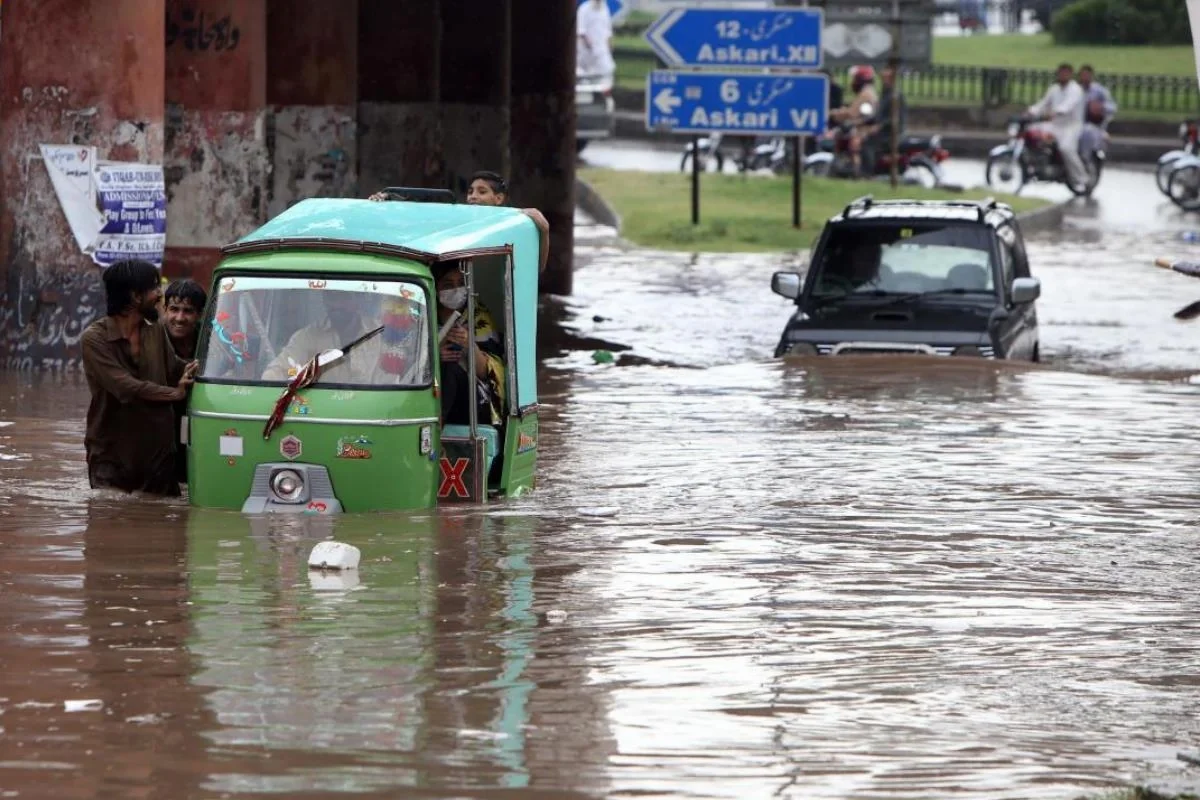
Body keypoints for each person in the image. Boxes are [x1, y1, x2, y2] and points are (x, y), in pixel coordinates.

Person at [80, 260, 197, 497]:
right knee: (109, 522)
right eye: (154, 288)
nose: (160, 294)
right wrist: (173, 393)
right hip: (111, 454)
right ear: (135, 296)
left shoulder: (154, 330)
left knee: (160, 525)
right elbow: (124, 386)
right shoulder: (94, 339)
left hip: (158, 455)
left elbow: (175, 368)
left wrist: (207, 370)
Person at [368, 171, 551, 272]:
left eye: (482, 191)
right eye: (471, 191)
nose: (473, 196)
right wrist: (384, 203)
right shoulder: (456, 219)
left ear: (499, 198)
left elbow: (536, 270)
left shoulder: (515, 224)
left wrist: (544, 230)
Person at [260, 290, 423, 385]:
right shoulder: (307, 337)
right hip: (323, 412)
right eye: (331, 297)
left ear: (358, 300)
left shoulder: (381, 333)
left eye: (343, 297)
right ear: (324, 300)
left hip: (373, 412)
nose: (336, 304)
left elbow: (400, 371)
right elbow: (278, 370)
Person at [435, 262, 505, 427]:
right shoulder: (421, 315)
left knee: (451, 368)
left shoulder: (478, 317)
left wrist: (470, 345)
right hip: (430, 393)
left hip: (472, 400)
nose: (455, 289)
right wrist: (434, 358)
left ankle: (437, 431)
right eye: (448, 285)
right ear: (435, 287)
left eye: (460, 284)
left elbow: (488, 373)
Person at [162, 278, 208, 485]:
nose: (179, 318)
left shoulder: (211, 343)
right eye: (174, 309)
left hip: (197, 427)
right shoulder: (152, 341)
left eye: (188, 311)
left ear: (199, 315)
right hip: (161, 426)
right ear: (165, 310)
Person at [1028, 62, 1087, 192]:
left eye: (1066, 73)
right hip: (1054, 125)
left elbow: (1067, 106)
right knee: (1032, 132)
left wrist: (1055, 112)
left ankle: (1080, 179)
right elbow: (1043, 103)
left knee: (1066, 148)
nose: (1062, 75)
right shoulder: (1054, 89)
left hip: (1071, 126)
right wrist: (1032, 111)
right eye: (1061, 72)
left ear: (1071, 74)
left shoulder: (1075, 89)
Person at [859, 62, 907, 177]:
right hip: (885, 131)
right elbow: (878, 115)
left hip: (891, 134)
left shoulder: (895, 96)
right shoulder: (886, 94)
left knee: (867, 143)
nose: (883, 78)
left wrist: (878, 127)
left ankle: (868, 174)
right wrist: (861, 122)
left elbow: (894, 119)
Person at [830, 65, 879, 176]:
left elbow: (852, 113)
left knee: (854, 145)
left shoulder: (866, 94)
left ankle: (857, 171)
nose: (853, 82)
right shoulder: (867, 92)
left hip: (864, 129)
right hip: (863, 125)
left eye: (855, 79)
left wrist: (833, 113)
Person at [1077, 64, 1117, 161]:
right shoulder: (1075, 90)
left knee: (1087, 132)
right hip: (1075, 124)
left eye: (1087, 75)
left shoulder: (1099, 91)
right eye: (1083, 75)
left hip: (1094, 125)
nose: (1085, 77)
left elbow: (1112, 107)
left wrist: (1101, 107)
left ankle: (1085, 159)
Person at [577, 0, 615, 79]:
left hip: (601, 49)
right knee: (584, 74)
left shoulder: (605, 9)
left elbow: (607, 30)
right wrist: (588, 44)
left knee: (607, 69)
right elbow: (581, 30)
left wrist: (609, 44)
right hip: (586, 51)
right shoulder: (584, 9)